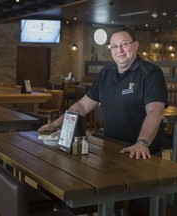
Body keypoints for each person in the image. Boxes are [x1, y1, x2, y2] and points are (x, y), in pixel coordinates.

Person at [38, 26, 169, 160]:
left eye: (124, 44)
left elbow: (155, 111)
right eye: (114, 46)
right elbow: (82, 106)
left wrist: (141, 143)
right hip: (111, 147)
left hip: (141, 152)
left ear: (135, 45)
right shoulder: (105, 74)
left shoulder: (151, 73)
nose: (120, 50)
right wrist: (54, 125)